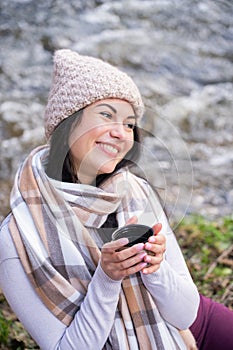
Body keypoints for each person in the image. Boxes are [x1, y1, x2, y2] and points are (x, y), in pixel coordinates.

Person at [0, 49, 232, 350]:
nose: (122, 133)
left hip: (189, 331)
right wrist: (108, 278)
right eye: (107, 115)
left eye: (129, 123)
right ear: (68, 122)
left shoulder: (133, 192)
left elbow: (185, 314)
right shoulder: (17, 237)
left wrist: (155, 266)